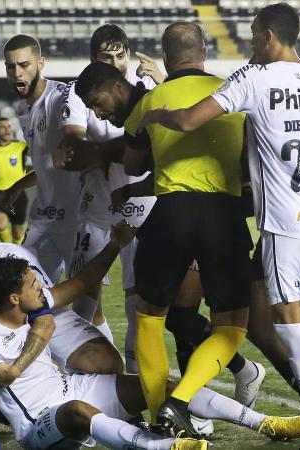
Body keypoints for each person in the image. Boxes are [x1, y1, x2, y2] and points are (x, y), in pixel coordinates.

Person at [138, 4, 300, 448]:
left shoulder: (253, 79)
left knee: (290, 324)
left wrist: (155, 115)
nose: (248, 44)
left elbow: (187, 120)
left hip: (288, 223)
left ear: (267, 37)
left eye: (252, 36)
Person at [0, 257, 300, 450]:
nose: (41, 288)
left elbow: (82, 282)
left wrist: (115, 242)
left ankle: (266, 423)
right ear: (15, 297)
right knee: (78, 412)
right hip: (39, 424)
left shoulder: (33, 310)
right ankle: (162, 447)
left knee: (159, 388)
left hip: (72, 385)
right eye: (34, 284)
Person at [76, 21, 253, 438]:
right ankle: (183, 396)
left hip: (171, 214)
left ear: (166, 55)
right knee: (231, 326)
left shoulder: (153, 100)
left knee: (151, 318)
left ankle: (162, 412)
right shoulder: (235, 91)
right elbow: (249, 160)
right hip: (225, 215)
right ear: (204, 51)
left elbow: (135, 165)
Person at [0, 225, 127, 444]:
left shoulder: (12, 259)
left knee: (109, 365)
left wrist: (16, 369)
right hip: (1, 324)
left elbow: (45, 323)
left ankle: (67, 396)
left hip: (41, 314)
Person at [57, 22, 159, 351]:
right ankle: (100, 368)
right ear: (91, 58)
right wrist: (79, 150)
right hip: (98, 202)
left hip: (142, 197)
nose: (114, 65)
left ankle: (126, 372)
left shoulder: (147, 85)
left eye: (120, 57)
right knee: (85, 293)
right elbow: (73, 142)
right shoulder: (82, 90)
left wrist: (102, 152)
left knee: (138, 297)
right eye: (105, 58)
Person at [0, 34, 81, 284]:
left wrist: (71, 146)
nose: (17, 72)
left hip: (77, 217)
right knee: (25, 291)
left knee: (88, 305)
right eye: (11, 66)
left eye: (24, 65)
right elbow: (47, 165)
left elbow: (81, 146)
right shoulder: (23, 109)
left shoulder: (63, 98)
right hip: (44, 216)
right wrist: (17, 186)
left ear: (41, 63)